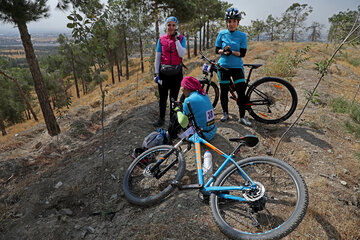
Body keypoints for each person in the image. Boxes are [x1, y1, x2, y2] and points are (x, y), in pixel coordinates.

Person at [215, 7, 251, 126]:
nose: (231, 24)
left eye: (234, 21)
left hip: (237, 67)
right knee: (224, 91)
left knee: (241, 92)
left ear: (238, 22)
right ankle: (225, 113)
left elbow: (243, 53)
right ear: (227, 22)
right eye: (229, 21)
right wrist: (223, 51)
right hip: (223, 66)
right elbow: (217, 50)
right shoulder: (222, 34)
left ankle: (242, 116)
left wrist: (232, 52)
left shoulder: (242, 36)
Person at [153, 16, 187, 127]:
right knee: (162, 97)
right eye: (169, 25)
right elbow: (158, 57)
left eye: (173, 25)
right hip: (163, 73)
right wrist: (156, 73)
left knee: (174, 98)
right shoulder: (161, 39)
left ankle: (173, 121)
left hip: (176, 74)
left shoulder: (182, 39)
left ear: (176, 26)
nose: (171, 27)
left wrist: (176, 40)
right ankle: (161, 118)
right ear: (166, 26)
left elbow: (182, 54)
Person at [177, 76, 217, 141]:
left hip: (203, 135)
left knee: (180, 137)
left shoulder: (188, 100)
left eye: (182, 88)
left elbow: (183, 123)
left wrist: (177, 110)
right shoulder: (203, 94)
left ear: (188, 88)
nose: (182, 91)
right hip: (212, 130)